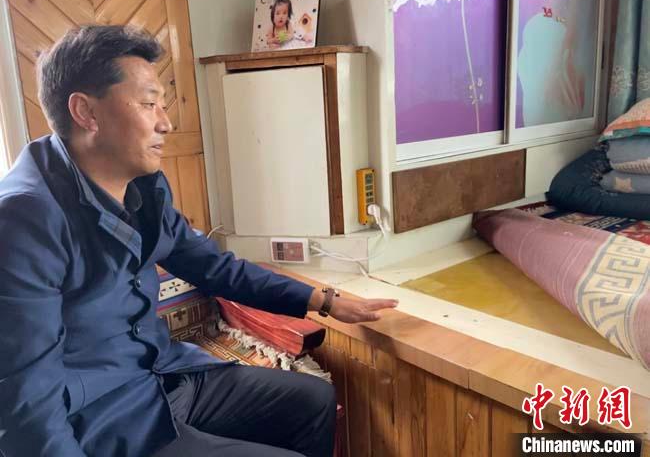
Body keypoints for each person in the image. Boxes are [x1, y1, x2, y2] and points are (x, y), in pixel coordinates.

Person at [0, 25, 398, 457]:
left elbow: (214, 268)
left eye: (163, 104)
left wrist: (323, 300)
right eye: (148, 103)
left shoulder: (143, 187)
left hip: (161, 376)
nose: (166, 122)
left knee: (312, 400)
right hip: (102, 419)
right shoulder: (24, 219)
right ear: (85, 112)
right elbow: (27, 402)